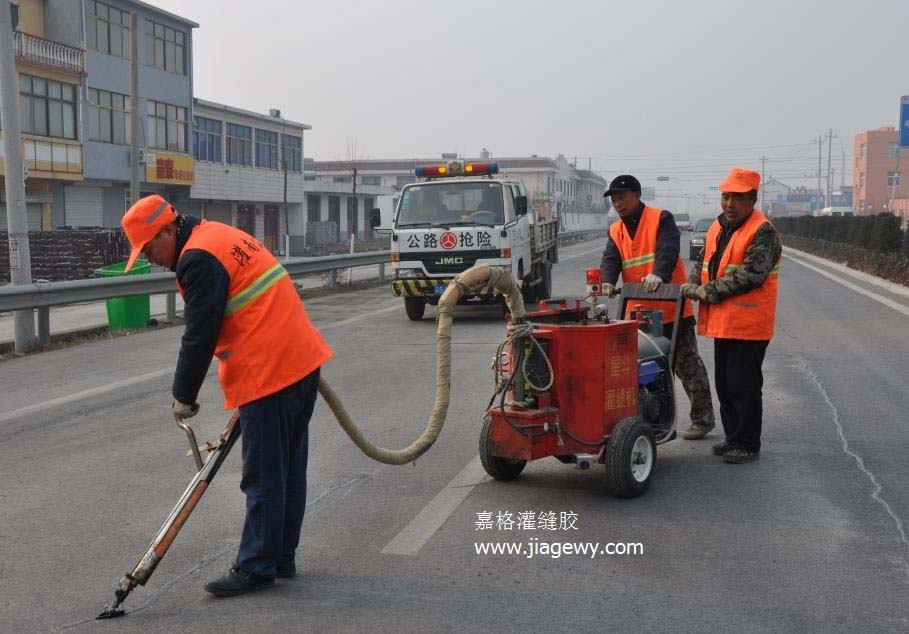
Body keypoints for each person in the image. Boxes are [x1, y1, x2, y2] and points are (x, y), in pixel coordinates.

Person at [121, 195, 333, 596]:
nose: (153, 258)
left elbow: (200, 332)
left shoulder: (198, 257)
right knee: (287, 468)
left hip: (269, 372)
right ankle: (279, 555)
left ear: (168, 230)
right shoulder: (216, 235)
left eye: (150, 248)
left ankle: (256, 566)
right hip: (300, 362)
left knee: (264, 473)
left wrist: (183, 394)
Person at [600, 175, 715, 439]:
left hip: (671, 309)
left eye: (622, 197)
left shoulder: (661, 219)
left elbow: (668, 250)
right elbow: (611, 258)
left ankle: (703, 418)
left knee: (687, 366)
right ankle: (652, 420)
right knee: (644, 371)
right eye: (614, 200)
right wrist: (607, 281)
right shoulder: (615, 230)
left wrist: (660, 274)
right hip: (638, 313)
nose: (618, 204)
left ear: (637, 195)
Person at [681, 168, 781, 464]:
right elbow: (703, 261)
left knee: (744, 385)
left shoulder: (763, 231)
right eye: (726, 197)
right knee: (725, 383)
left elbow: (753, 274)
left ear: (752, 199)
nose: (729, 204)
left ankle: (747, 443)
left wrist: (708, 291)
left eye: (737, 198)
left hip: (749, 324)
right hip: (724, 322)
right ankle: (732, 437)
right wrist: (692, 282)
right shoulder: (718, 226)